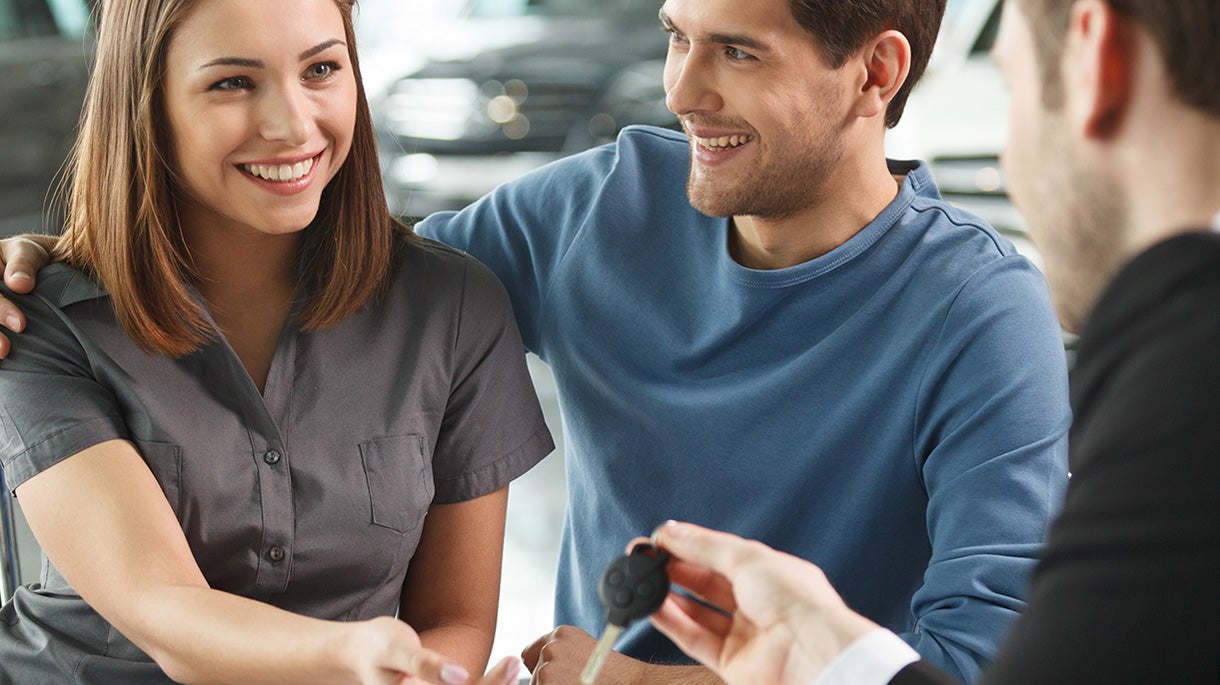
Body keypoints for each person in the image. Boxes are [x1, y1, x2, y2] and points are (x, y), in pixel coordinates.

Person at [0, 0, 1073, 682]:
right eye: (674, 37)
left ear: (875, 73)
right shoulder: (592, 211)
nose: (680, 91)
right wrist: (60, 258)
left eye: (734, 52)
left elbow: (980, 658)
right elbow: (334, 266)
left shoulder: (982, 315)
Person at [641, 0, 1220, 682]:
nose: (1011, 156)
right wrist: (826, 658)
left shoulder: (1187, 392)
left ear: (1099, 57)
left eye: (1013, 86)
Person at [0, 0, 554, 683]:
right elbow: (162, 607)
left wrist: (421, 673)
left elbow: (455, 619)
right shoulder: (40, 319)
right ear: (146, 104)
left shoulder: (455, 308)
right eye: (232, 82)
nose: (292, 124)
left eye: (321, 68)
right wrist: (350, 656)